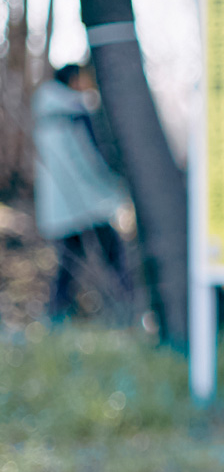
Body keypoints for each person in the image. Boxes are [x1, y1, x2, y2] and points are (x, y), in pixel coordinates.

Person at [33, 64, 132, 321]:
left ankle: (56, 316)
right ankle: (129, 307)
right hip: (89, 199)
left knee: (67, 264)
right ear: (74, 80)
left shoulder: (43, 112)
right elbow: (93, 157)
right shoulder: (77, 111)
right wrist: (114, 182)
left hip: (60, 205)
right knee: (113, 255)